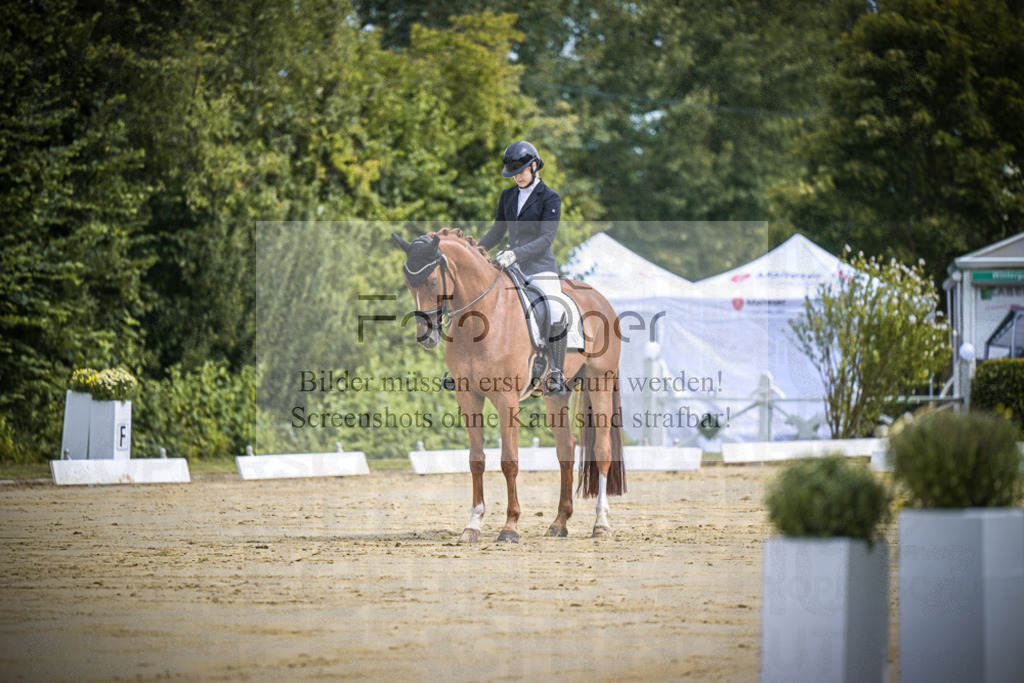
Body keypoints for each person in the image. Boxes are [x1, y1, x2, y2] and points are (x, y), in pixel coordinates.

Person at [479, 140, 570, 395]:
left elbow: (546, 240)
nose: (516, 177)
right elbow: (498, 230)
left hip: (539, 267)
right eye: (512, 174)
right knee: (480, 298)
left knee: (554, 308)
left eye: (520, 172)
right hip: (511, 267)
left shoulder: (550, 197)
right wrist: (475, 251)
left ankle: (557, 373)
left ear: (534, 166)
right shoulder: (508, 196)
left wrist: (515, 254)